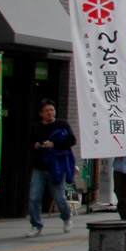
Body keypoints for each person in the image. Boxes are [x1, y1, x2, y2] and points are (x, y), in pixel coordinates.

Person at [27, 99, 77, 237]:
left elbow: (72, 140)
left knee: (59, 197)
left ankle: (67, 217)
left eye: (52, 110)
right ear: (41, 113)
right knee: (34, 197)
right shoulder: (36, 127)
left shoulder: (62, 124)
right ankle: (36, 225)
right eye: (47, 111)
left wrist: (54, 145)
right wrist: (35, 145)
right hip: (39, 166)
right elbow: (29, 143)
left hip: (56, 167)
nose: (50, 113)